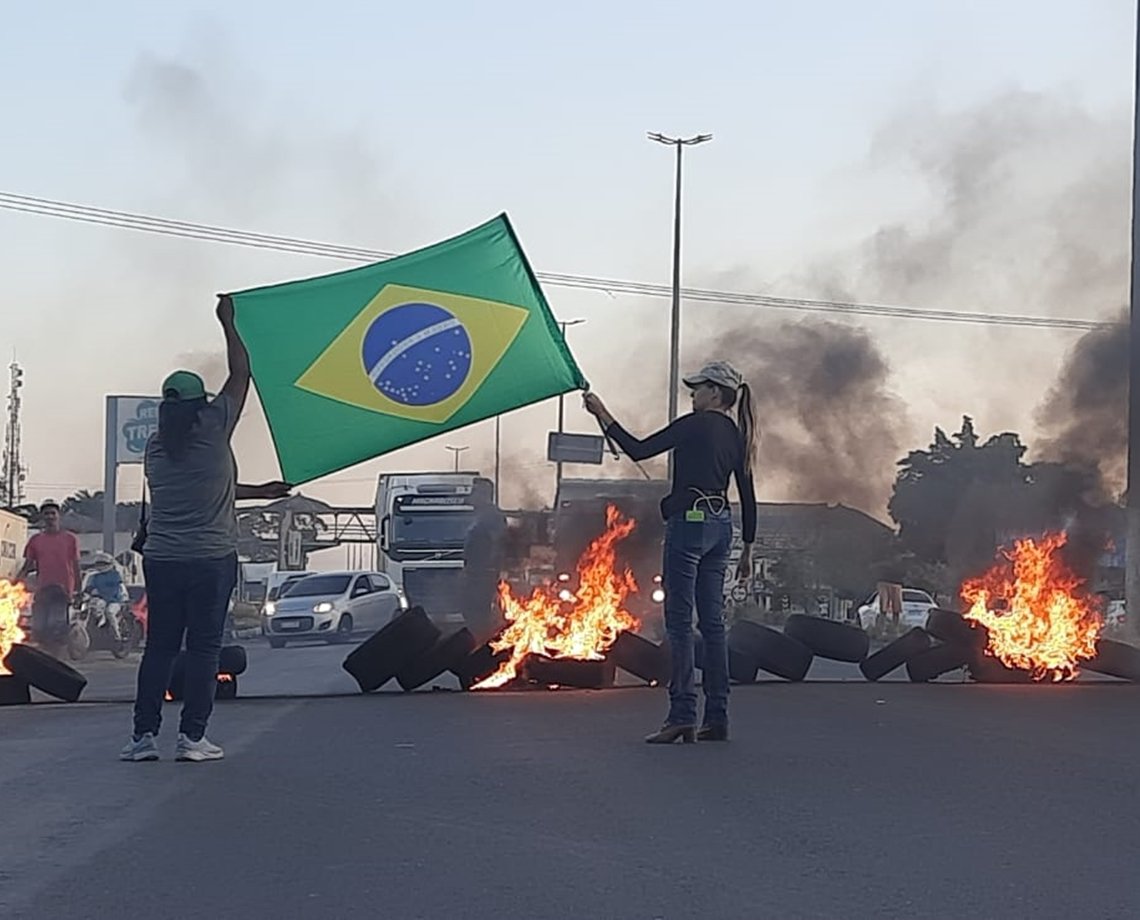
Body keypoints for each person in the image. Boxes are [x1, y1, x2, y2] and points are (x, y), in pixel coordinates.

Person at [121, 294, 290, 764]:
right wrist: (228, 322)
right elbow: (241, 375)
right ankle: (192, 737)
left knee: (159, 650)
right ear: (200, 403)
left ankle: (142, 737)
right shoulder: (214, 426)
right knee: (203, 650)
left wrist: (258, 491)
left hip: (163, 560)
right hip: (211, 559)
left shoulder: (155, 449)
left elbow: (205, 488)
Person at [584, 361, 757, 744]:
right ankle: (718, 717)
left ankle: (681, 715)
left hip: (690, 524)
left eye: (698, 388)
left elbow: (639, 449)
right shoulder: (737, 434)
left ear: (715, 393)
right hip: (721, 527)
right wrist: (747, 548)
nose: (692, 394)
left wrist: (602, 413)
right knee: (713, 626)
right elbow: (747, 492)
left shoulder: (695, 424)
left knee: (679, 625)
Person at [17, 499, 81, 651]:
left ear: (59, 516)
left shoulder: (70, 539)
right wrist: (16, 582)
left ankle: (57, 659)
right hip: (43, 589)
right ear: (42, 517)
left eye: (53, 513)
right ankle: (47, 658)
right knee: (39, 629)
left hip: (63, 590)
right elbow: (28, 565)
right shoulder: (35, 540)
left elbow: (76, 565)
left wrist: (79, 588)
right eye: (46, 514)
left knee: (56, 628)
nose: (50, 517)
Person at [462, 480, 508, 643]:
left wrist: (489, 569)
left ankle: (482, 644)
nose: (472, 497)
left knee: (478, 614)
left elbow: (498, 543)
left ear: (484, 495)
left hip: (483, 575)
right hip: (476, 574)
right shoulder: (481, 516)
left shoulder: (492, 517)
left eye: (475, 493)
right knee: (471, 612)